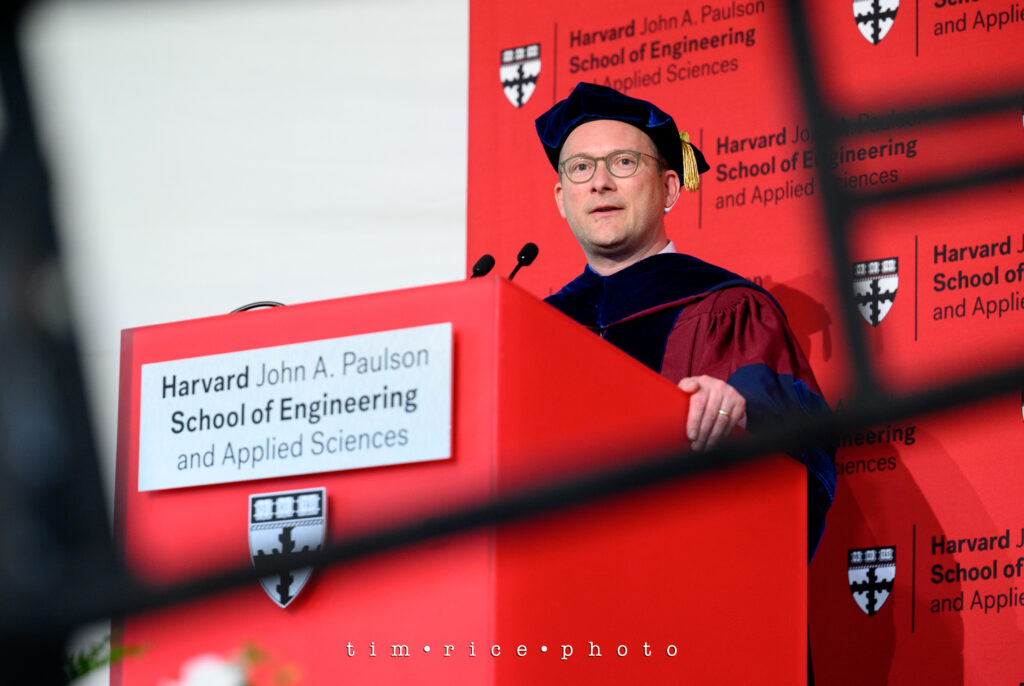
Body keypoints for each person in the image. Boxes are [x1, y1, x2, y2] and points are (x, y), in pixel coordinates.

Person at [535, 82, 835, 558]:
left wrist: (741, 417)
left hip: (682, 574)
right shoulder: (538, 329)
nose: (599, 182)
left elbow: (802, 461)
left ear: (670, 187)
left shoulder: (728, 309)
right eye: (580, 167)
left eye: (623, 162)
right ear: (561, 198)